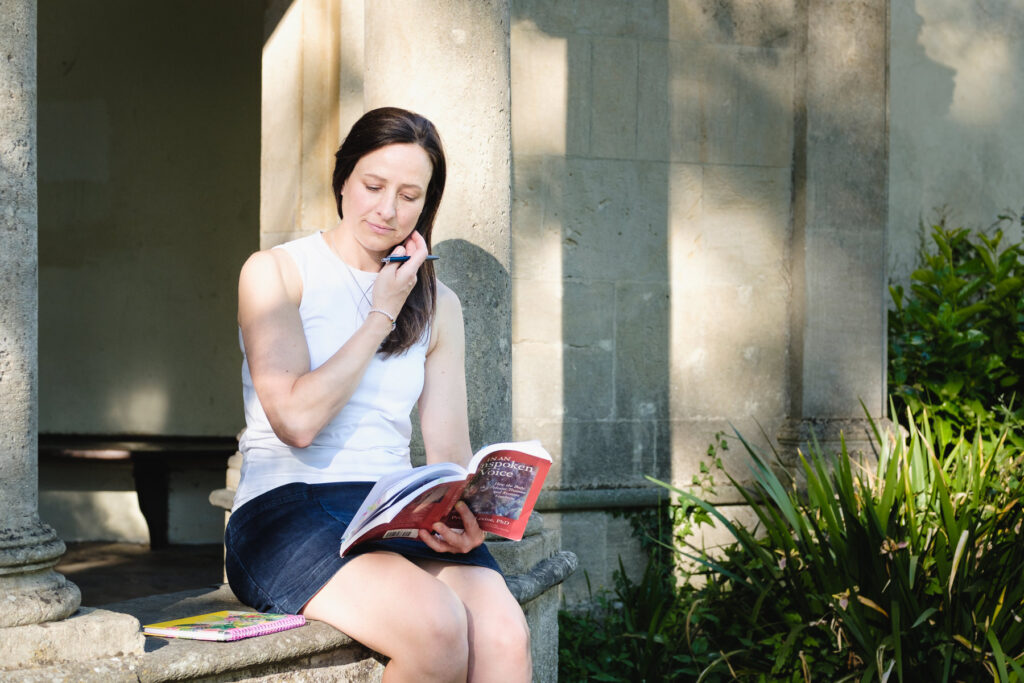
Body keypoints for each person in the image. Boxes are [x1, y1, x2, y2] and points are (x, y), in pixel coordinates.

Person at [225, 107, 531, 682]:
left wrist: (464, 511)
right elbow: (296, 420)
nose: (387, 209)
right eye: (373, 186)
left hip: (393, 511)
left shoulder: (442, 306)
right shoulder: (276, 273)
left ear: (426, 206)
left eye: (410, 195)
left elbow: (448, 454)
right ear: (343, 177)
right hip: (286, 509)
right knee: (436, 624)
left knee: (505, 634)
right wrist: (381, 312)